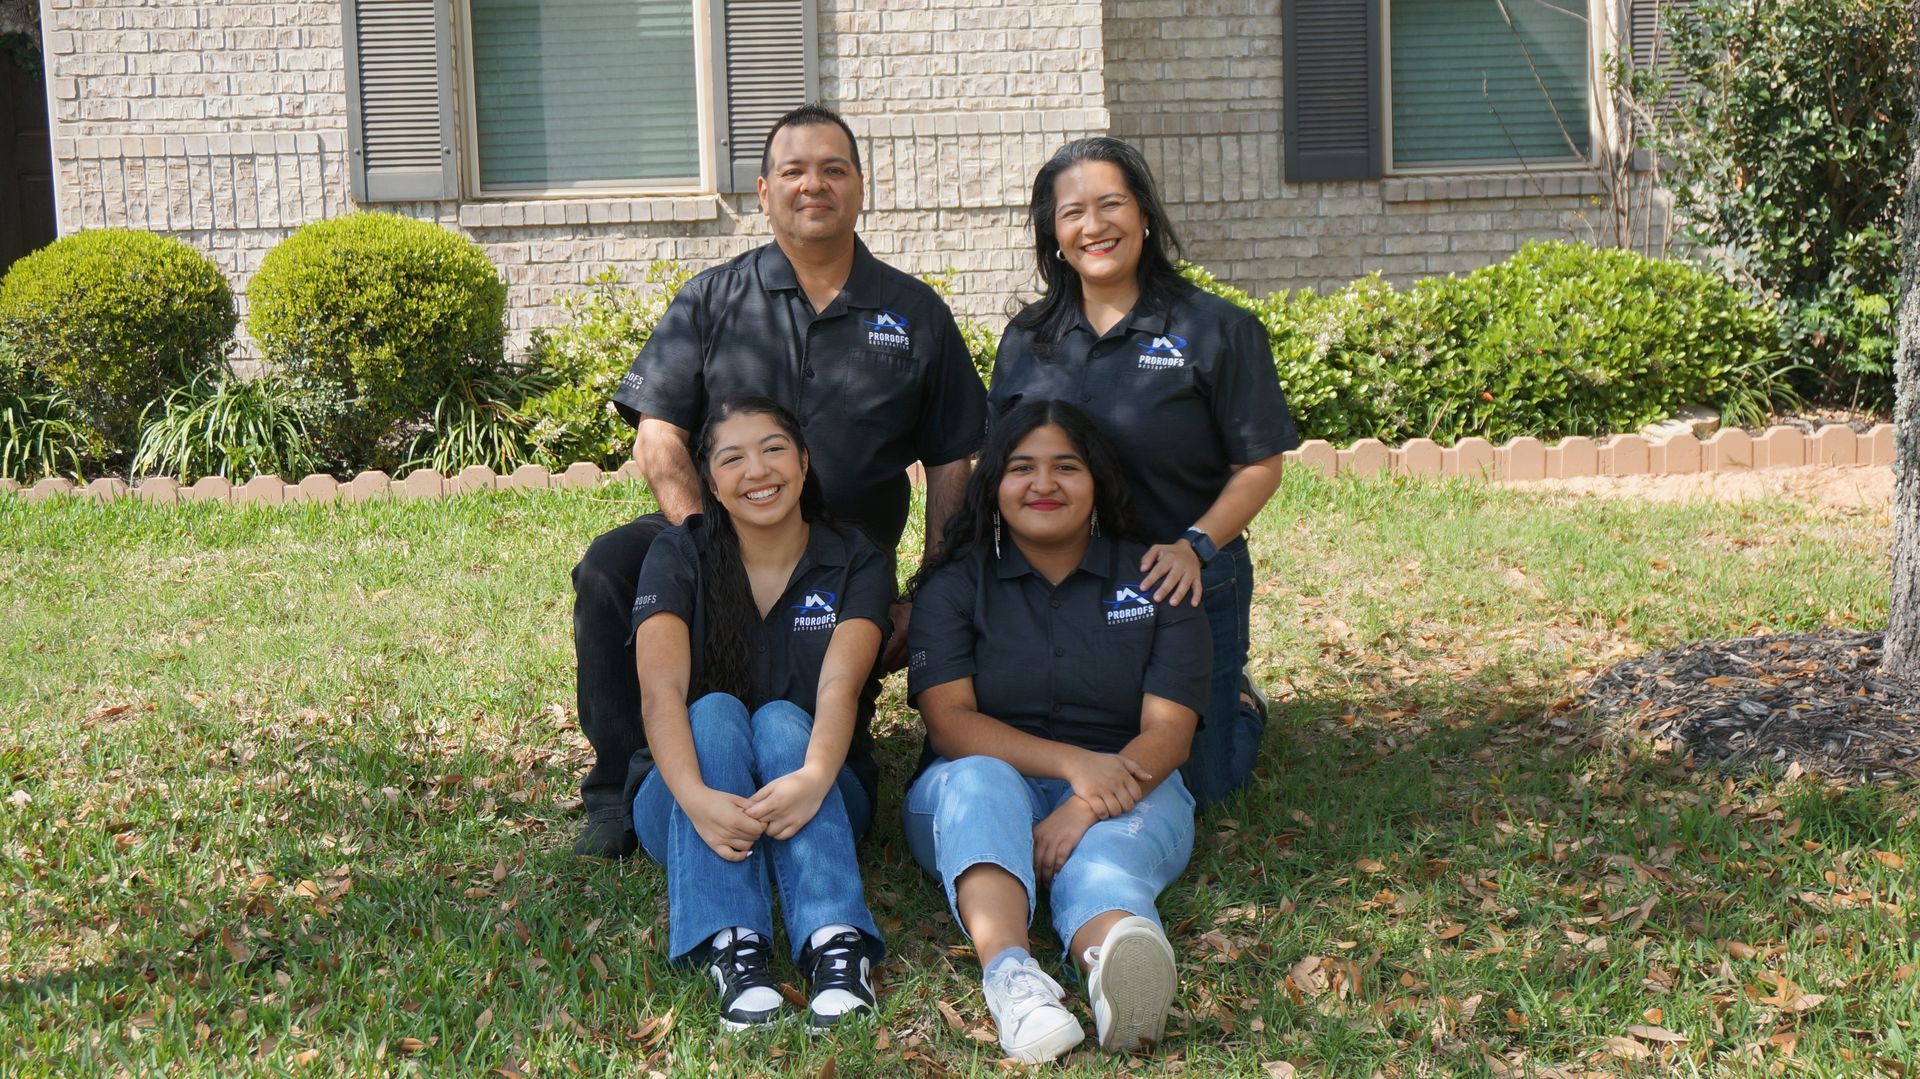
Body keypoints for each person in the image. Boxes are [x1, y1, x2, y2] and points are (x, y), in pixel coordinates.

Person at [570, 104, 988, 857]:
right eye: (793, 170)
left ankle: (823, 767)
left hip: (844, 562)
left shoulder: (913, 312)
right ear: (764, 192)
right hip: (709, 534)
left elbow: (954, 458)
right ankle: (618, 791)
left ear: (861, 187)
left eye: (834, 169)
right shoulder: (711, 299)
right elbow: (658, 435)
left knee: (810, 728)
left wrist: (923, 592)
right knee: (609, 566)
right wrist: (706, 545)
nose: (813, 185)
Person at [988, 137, 1300, 807]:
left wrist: (1196, 545)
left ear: (1146, 215)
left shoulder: (1217, 329)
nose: (1093, 226)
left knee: (1200, 787)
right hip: (1061, 583)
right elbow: (1002, 465)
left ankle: (1239, 704)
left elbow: (1259, 465)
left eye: (1111, 205)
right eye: (1073, 212)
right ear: (1053, 233)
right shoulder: (1026, 339)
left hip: (1183, 580)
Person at [901, 400, 1211, 1062]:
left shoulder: (1157, 579)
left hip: (1133, 779)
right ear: (994, 486)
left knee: (1101, 861)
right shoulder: (955, 586)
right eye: (1023, 468)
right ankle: (1013, 980)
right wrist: (1076, 767)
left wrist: (1084, 803)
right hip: (970, 785)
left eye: (1066, 466)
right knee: (981, 783)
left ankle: (1114, 966)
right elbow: (951, 724)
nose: (1044, 484)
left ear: (1097, 478)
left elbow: (1170, 733)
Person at [630, 396, 890, 1032]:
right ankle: (734, 946)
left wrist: (810, 779)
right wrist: (693, 796)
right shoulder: (678, 553)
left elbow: (839, 688)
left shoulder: (857, 558)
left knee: (778, 718)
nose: (757, 470)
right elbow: (661, 692)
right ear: (711, 483)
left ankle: (836, 944)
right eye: (732, 457)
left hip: (821, 795)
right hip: (683, 805)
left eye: (774, 449)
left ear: (803, 462)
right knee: (713, 710)